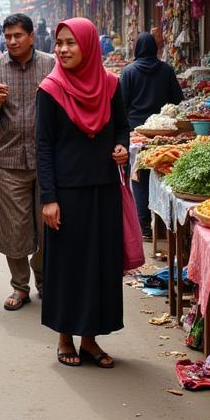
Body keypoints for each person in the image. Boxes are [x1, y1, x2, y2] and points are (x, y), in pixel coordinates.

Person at [37, 18, 130, 368]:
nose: (62, 49)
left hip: (103, 189)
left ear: (88, 45)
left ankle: (90, 339)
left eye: (71, 43)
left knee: (98, 266)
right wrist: (49, 197)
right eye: (59, 43)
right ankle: (65, 337)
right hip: (66, 192)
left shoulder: (110, 85)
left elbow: (121, 125)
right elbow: (43, 146)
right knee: (67, 265)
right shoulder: (50, 89)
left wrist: (122, 146)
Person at [0, 13, 54, 311]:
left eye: (17, 36)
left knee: (48, 226)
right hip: (8, 160)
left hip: (45, 160)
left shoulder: (50, 64)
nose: (12, 41)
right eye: (8, 36)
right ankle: (19, 287)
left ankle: (46, 281)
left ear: (31, 36)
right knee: (14, 228)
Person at [120, 32, 184, 240]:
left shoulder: (129, 72)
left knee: (139, 175)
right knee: (163, 175)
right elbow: (177, 100)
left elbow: (121, 103)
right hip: (163, 132)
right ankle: (164, 226)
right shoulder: (166, 70)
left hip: (136, 132)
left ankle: (145, 226)